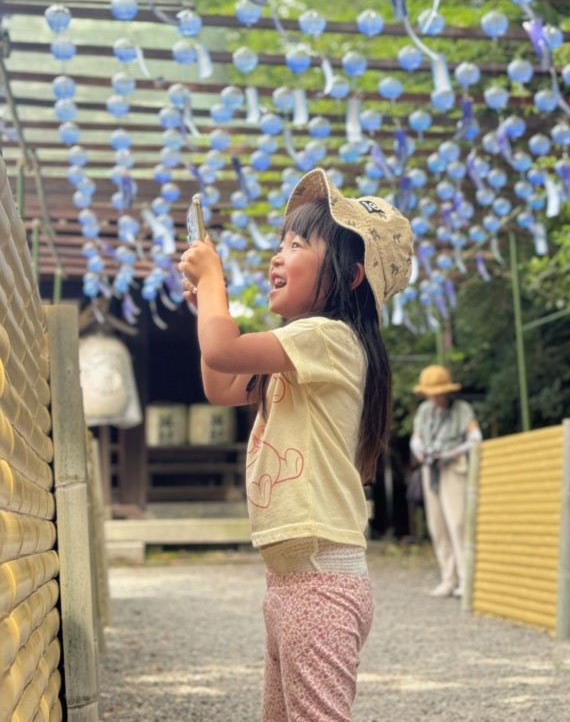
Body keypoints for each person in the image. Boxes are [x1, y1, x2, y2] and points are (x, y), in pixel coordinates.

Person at [178, 167, 413, 722]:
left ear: (349, 277)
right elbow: (221, 384)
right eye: (281, 244)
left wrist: (213, 285)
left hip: (319, 581)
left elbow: (223, 351)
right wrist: (207, 305)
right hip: (290, 579)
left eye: (297, 245)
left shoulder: (329, 338)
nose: (277, 257)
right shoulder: (301, 349)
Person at [409, 364, 482, 598]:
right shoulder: (424, 410)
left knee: (458, 523)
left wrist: (451, 453)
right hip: (430, 469)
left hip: (453, 468)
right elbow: (415, 439)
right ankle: (448, 577)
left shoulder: (461, 409)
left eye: (438, 393)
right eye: (430, 393)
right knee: (437, 525)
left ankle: (466, 579)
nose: (435, 397)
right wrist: (421, 452)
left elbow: (475, 438)